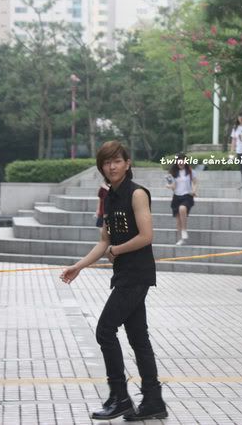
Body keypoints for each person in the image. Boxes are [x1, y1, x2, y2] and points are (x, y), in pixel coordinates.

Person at [60, 140, 168, 422]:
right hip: (123, 274)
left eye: (117, 161)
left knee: (105, 330)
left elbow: (146, 236)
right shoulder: (108, 197)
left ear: (127, 163)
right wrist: (79, 266)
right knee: (137, 337)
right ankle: (153, 400)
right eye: (106, 163)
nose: (112, 166)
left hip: (137, 273)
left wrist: (117, 251)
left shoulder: (137, 194)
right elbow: (104, 241)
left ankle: (120, 397)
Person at [165, 152, 198, 246]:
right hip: (176, 197)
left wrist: (194, 190)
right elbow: (173, 186)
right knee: (178, 219)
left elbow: (195, 182)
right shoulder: (172, 173)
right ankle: (181, 239)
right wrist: (169, 186)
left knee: (182, 209)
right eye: (179, 162)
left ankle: (184, 230)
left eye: (182, 161)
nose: (181, 163)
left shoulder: (190, 171)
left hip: (187, 196)